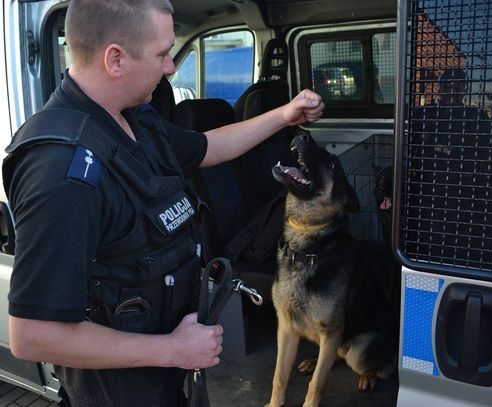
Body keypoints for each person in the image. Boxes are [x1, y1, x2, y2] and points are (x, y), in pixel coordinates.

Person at [1, 0, 325, 406]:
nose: (171, 67)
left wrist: (284, 115)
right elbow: (33, 334)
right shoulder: (62, 170)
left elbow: (209, 146)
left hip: (171, 380)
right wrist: (173, 349)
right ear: (115, 59)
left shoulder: (134, 117)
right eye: (162, 54)